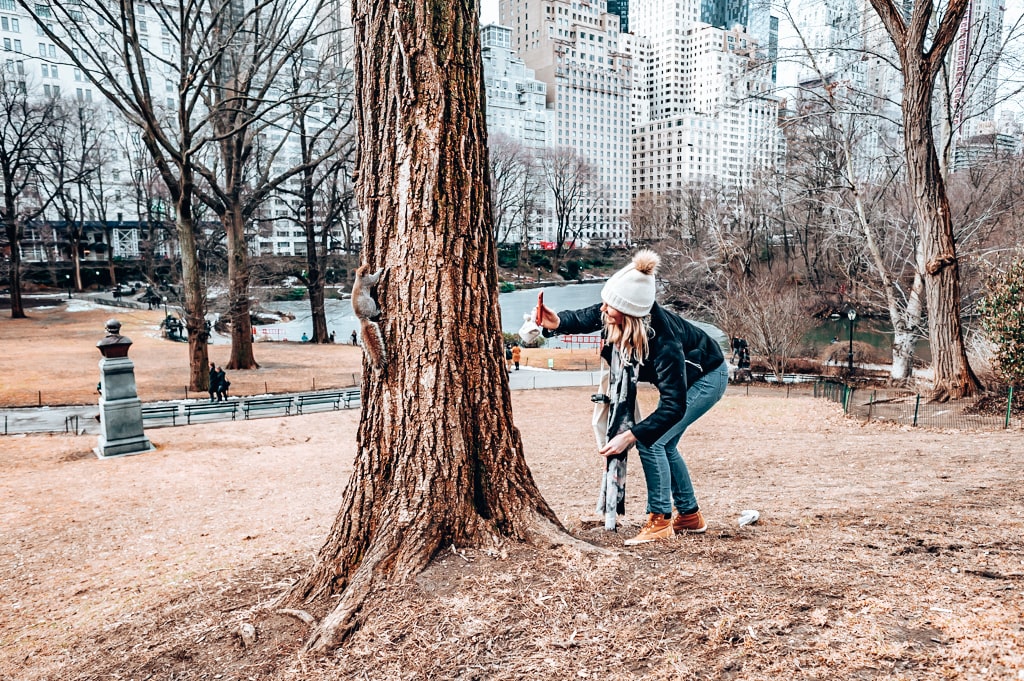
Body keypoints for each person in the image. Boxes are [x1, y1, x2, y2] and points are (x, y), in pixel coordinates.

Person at [535, 250, 728, 546]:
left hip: (708, 377)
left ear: (629, 314)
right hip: (693, 377)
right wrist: (558, 321)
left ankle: (660, 519)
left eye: (610, 307)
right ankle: (689, 515)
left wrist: (630, 435)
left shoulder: (664, 343)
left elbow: (673, 406)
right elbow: (588, 316)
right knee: (665, 444)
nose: (603, 309)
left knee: (653, 441)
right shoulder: (619, 314)